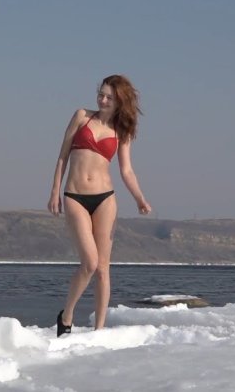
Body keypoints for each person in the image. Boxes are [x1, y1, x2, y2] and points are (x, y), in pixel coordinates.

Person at [47, 74, 151, 337]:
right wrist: (54, 192)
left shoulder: (121, 132)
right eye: (101, 94)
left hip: (105, 198)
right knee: (89, 263)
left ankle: (99, 332)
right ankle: (67, 315)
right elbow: (62, 156)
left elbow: (127, 171)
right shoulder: (82, 116)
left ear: (119, 102)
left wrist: (140, 198)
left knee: (103, 269)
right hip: (75, 196)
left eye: (109, 97)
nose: (102, 99)